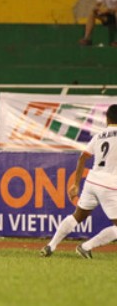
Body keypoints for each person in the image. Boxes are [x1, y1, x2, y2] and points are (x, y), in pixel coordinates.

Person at [40, 104, 117, 259]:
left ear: (107, 118)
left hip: (92, 181)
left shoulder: (99, 135)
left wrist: (76, 184)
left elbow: (83, 158)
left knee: (78, 216)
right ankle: (85, 247)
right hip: (110, 184)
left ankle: (51, 245)